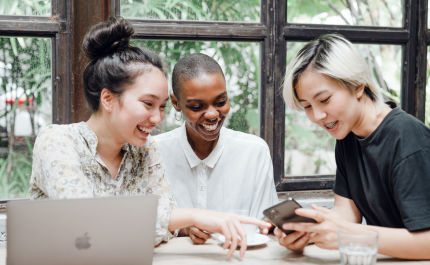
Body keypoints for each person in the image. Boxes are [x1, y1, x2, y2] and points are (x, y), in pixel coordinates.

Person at [29, 17, 270, 259]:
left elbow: (165, 230)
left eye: (162, 106)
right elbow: (85, 228)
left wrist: (166, 222)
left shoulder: (145, 150)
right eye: (148, 104)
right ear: (108, 99)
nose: (157, 119)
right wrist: (194, 216)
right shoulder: (57, 141)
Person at [278, 33, 430, 259]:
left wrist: (347, 233)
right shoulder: (347, 138)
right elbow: (346, 216)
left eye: (325, 100)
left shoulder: (408, 138)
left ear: (358, 86)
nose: (318, 116)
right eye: (307, 106)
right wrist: (308, 232)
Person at [154, 53, 278, 245]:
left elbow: (266, 226)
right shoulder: (155, 152)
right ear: (176, 103)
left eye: (220, 102)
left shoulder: (254, 152)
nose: (212, 114)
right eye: (196, 106)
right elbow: (142, 224)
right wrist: (184, 227)